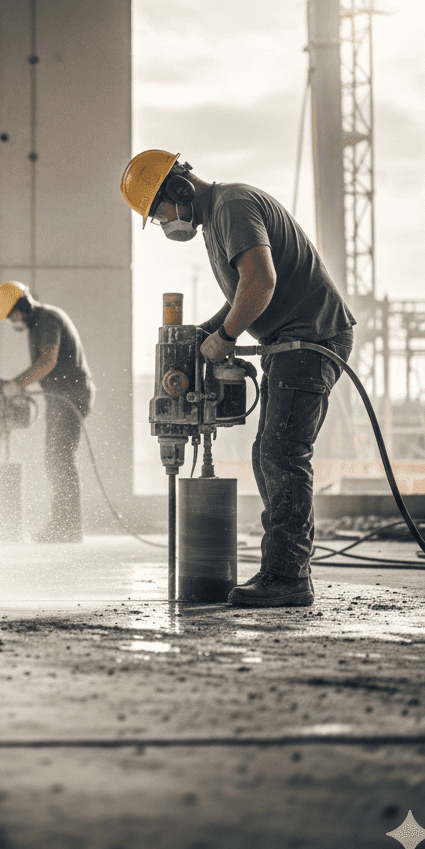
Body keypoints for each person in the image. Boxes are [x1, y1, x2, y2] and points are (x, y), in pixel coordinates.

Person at [121, 150, 356, 607]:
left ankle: (287, 577)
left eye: (160, 211)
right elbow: (242, 295)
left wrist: (224, 337)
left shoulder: (231, 206)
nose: (165, 223)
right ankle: (286, 569)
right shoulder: (219, 220)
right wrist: (204, 334)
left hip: (309, 339)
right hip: (292, 342)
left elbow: (260, 283)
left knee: (282, 452)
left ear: (179, 189)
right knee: (269, 451)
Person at [0, 281, 96, 543]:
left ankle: (67, 528)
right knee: (56, 459)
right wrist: (20, 385)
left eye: (12, 314)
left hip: (70, 395)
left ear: (21, 308)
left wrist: (15, 385)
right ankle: (64, 525)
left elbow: (47, 361)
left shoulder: (47, 319)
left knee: (59, 459)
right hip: (60, 395)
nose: (13, 320)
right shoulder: (38, 323)